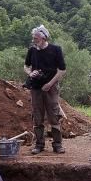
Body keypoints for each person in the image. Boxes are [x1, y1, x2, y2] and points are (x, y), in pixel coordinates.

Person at [24, 24, 67, 154]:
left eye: (36, 37)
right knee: (37, 117)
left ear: (43, 37)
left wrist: (50, 83)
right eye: (33, 37)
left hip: (51, 88)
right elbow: (26, 66)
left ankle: (57, 144)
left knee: (54, 115)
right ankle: (39, 144)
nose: (34, 40)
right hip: (35, 88)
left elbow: (62, 70)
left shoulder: (55, 50)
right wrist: (30, 73)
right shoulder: (32, 50)